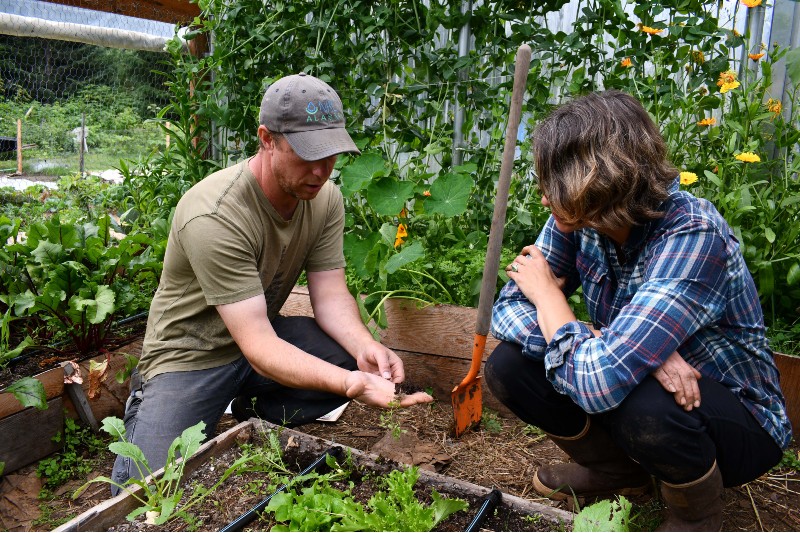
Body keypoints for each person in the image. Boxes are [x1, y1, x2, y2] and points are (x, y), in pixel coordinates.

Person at [485, 90, 791, 531]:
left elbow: (598, 385)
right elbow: (508, 310)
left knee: (641, 400)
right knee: (509, 365)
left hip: (738, 419)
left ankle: (695, 516)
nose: (542, 195)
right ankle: (618, 472)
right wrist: (621, 347)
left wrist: (553, 300)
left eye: (553, 178)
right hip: (631, 375)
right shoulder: (579, 217)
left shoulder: (693, 236)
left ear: (595, 176)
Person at [111, 73, 432, 490]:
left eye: (331, 154)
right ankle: (158, 405)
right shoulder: (215, 213)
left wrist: (365, 348)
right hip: (191, 355)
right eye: (307, 154)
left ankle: (249, 407)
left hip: (256, 336)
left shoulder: (323, 198)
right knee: (147, 493)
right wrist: (353, 384)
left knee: (346, 358)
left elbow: (331, 295)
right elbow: (261, 347)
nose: (321, 170)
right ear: (267, 138)